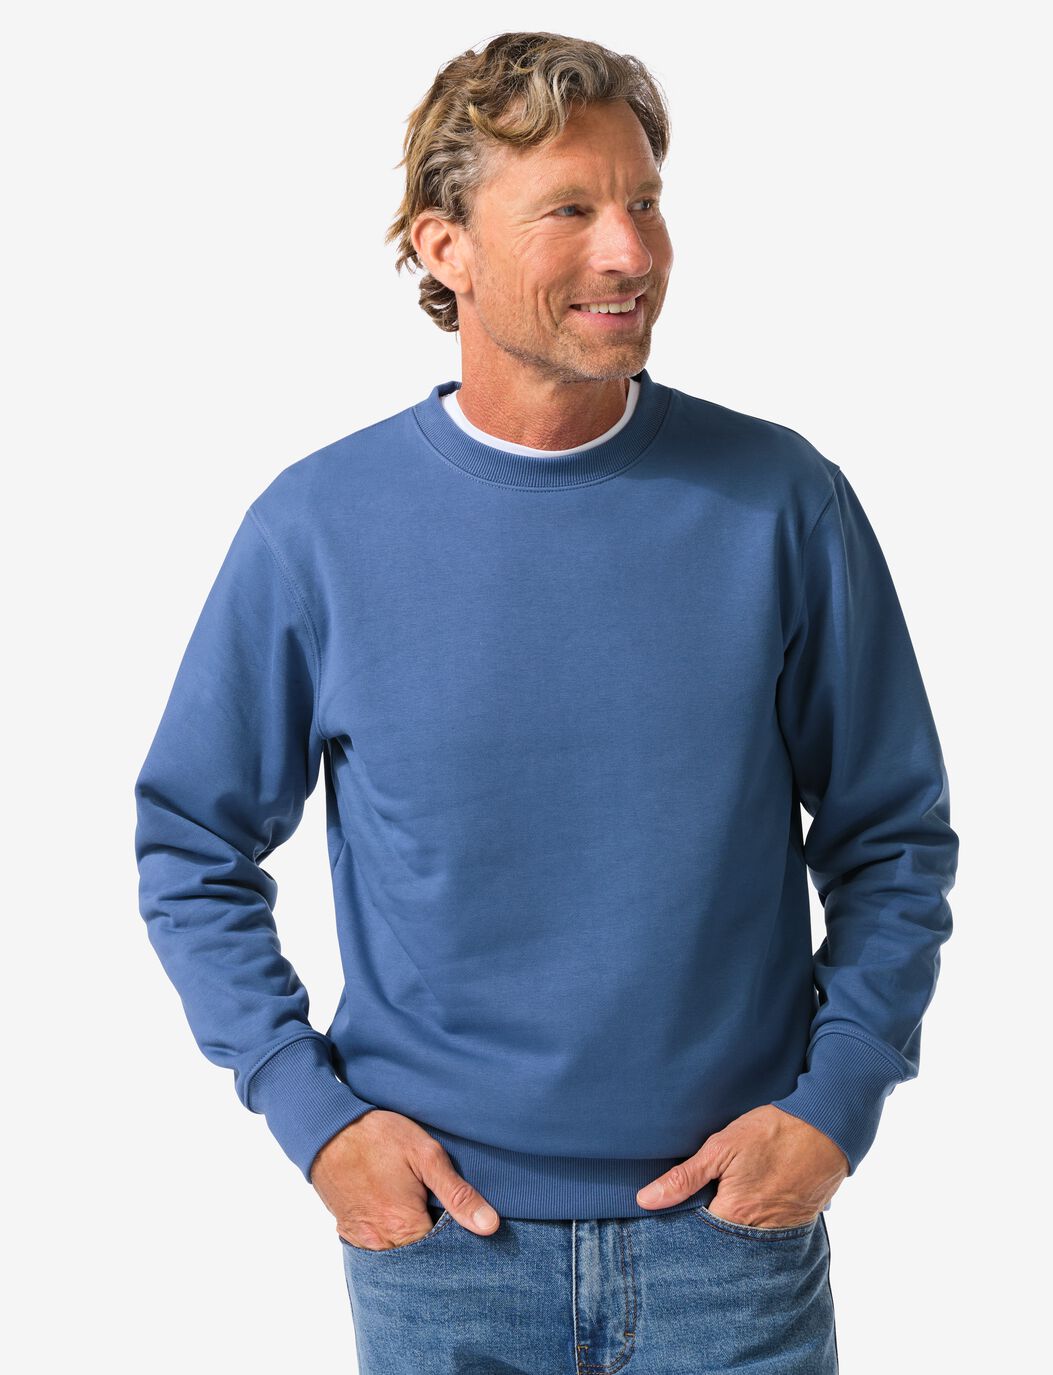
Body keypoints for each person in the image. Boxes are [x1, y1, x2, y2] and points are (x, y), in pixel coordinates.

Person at [134, 29, 959, 1374]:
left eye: (645, 203)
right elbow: (190, 844)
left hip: (731, 1236)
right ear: (444, 246)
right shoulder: (319, 529)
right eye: (569, 210)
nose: (631, 251)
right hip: (441, 1248)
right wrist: (312, 1117)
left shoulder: (781, 503)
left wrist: (838, 1102)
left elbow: (893, 835)